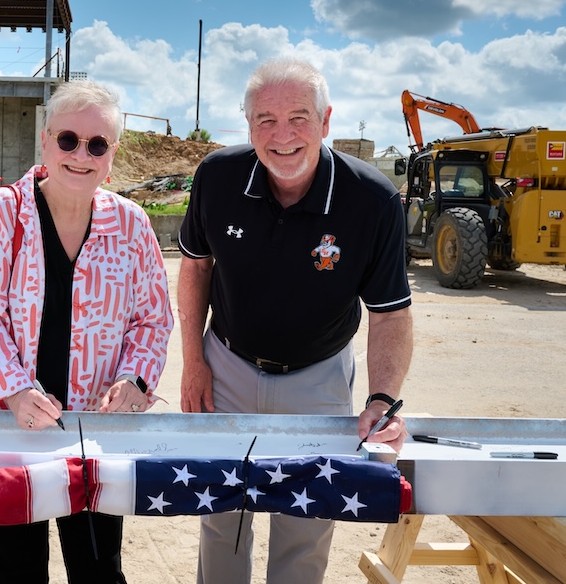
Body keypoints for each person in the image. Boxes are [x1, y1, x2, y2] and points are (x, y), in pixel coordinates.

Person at [177, 58, 413, 584]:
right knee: (221, 517)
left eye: (298, 117)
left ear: (327, 122)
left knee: (306, 522)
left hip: (319, 376)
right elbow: (195, 266)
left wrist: (383, 397)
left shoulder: (372, 202)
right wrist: (193, 360)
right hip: (227, 367)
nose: (282, 136)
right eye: (265, 119)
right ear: (248, 125)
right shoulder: (216, 177)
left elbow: (391, 312)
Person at [0, 79, 174, 583]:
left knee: (98, 569)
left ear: (111, 155)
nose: (81, 154)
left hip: (94, 430)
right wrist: (12, 390)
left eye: (97, 144)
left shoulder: (133, 225)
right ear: (46, 141)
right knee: (16, 571)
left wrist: (136, 380)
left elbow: (152, 319)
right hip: (12, 426)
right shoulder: (3, 212)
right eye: (68, 139)